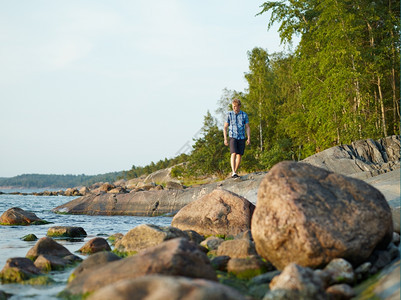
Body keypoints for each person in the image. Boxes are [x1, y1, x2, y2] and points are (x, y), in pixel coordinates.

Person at [223, 98, 250, 178]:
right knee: (233, 153)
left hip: (241, 136)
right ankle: (233, 172)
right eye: (233, 106)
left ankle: (234, 172)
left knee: (239, 155)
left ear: (239, 106)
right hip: (232, 136)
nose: (234, 108)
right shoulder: (229, 114)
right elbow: (225, 127)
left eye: (235, 106)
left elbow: (247, 127)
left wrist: (248, 138)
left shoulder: (244, 115)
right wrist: (225, 138)